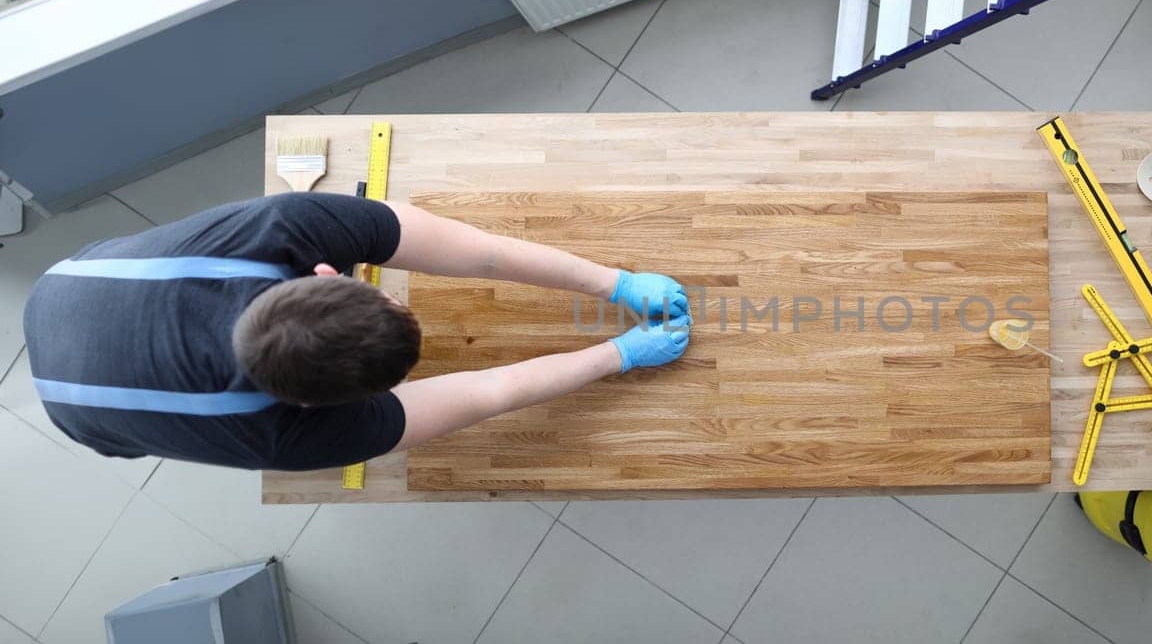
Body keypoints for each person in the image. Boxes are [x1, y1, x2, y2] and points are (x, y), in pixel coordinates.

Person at [22, 192, 691, 470]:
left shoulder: (282, 224)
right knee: (141, 433)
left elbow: (480, 251)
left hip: (65, 285)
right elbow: (490, 394)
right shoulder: (285, 438)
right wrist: (618, 355)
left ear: (323, 269)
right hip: (83, 413)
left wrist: (615, 282)